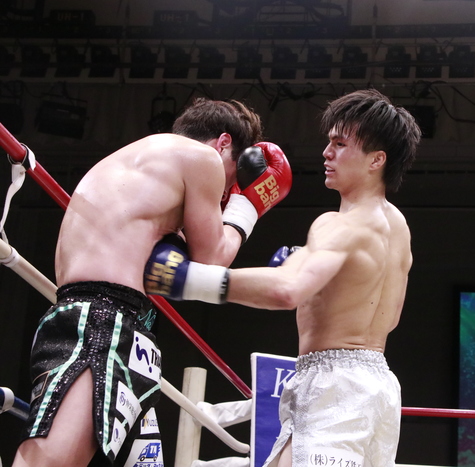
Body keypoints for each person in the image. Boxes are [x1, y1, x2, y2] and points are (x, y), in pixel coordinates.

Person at [145, 88, 422, 467]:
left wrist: (186, 278)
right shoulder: (397, 225)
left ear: (377, 159)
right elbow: (383, 312)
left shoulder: (338, 224)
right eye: (329, 142)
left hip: (335, 385)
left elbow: (287, 290)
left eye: (340, 144)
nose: (326, 153)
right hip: (378, 385)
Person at [12, 97, 292, 467]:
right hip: (104, 324)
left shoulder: (142, 161)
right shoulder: (203, 158)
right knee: (49, 462)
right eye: (231, 178)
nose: (225, 193)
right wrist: (247, 207)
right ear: (224, 143)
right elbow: (212, 259)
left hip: (117, 325)